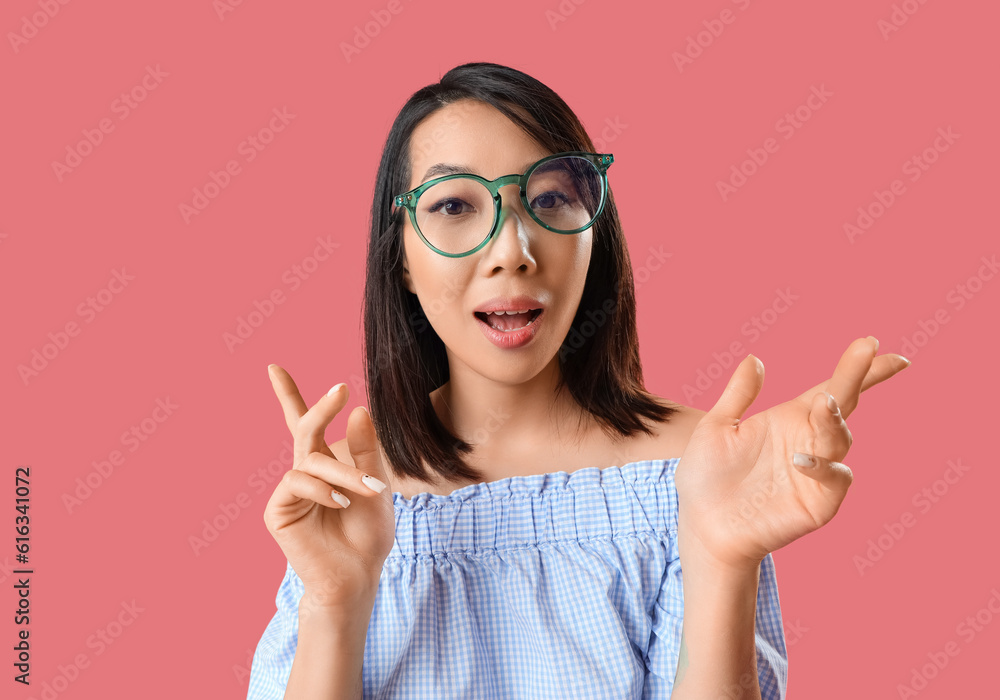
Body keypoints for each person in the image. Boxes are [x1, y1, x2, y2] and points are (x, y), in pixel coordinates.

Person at [246, 62, 910, 699]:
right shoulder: (345, 499)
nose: (512, 252)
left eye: (552, 199)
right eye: (454, 206)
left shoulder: (699, 472)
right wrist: (335, 603)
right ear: (401, 260)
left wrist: (722, 557)